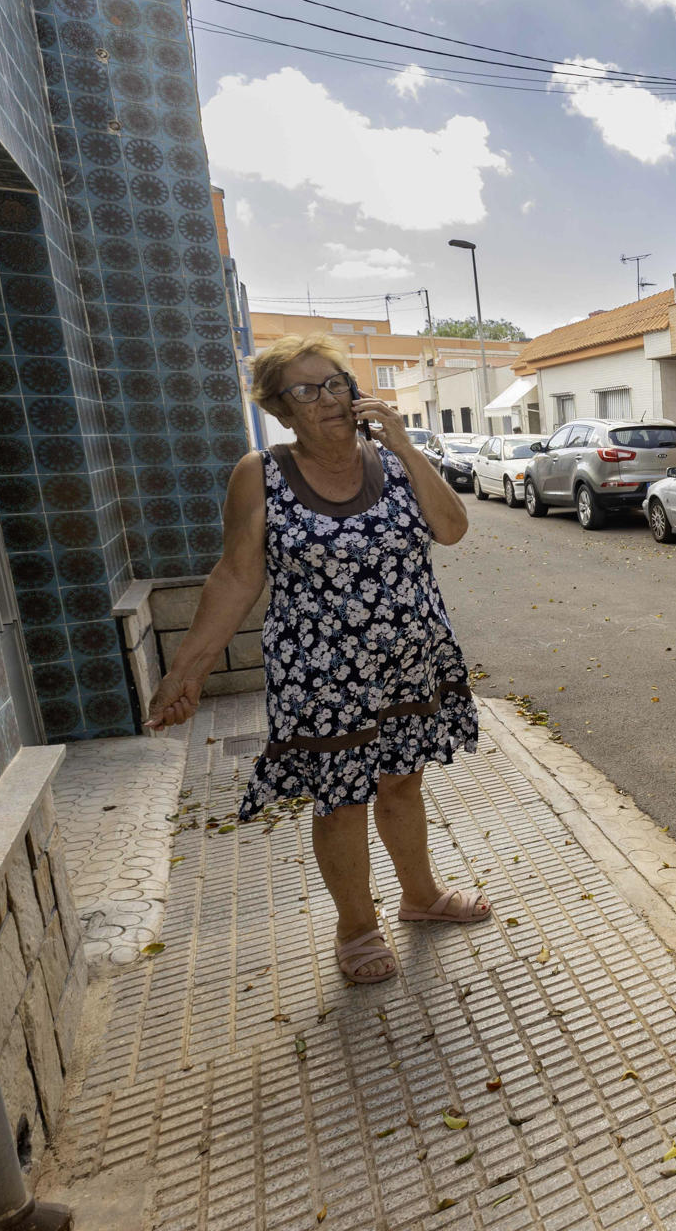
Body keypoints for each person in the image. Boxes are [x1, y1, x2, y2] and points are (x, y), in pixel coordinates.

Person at [147, 334, 490, 984]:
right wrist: (185, 670)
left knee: (403, 781)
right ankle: (356, 928)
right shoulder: (262, 474)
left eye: (336, 383)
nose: (328, 398)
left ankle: (421, 899)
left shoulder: (392, 461)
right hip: (322, 674)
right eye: (306, 390)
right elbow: (235, 578)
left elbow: (452, 529)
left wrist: (406, 447)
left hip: (410, 657)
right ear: (280, 409)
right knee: (340, 799)